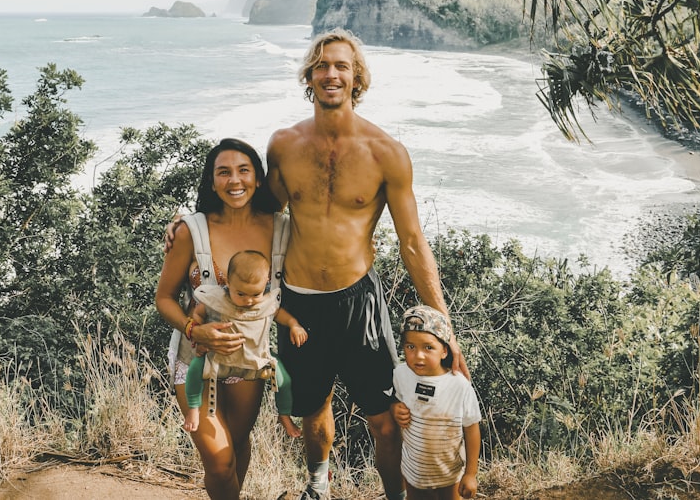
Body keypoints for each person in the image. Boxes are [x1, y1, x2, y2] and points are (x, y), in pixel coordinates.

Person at [266, 27, 469, 500]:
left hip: (358, 303)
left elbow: (413, 243)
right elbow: (256, 214)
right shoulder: (283, 145)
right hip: (298, 304)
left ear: (357, 77)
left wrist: (444, 330)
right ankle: (318, 487)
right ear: (309, 76)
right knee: (312, 410)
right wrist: (191, 223)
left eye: (341, 65)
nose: (330, 73)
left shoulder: (386, 154)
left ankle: (394, 496)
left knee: (384, 419)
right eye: (321, 65)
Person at [155, 137, 290, 500]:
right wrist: (195, 328)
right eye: (224, 172)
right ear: (211, 181)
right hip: (194, 357)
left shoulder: (280, 228)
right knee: (217, 459)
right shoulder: (190, 231)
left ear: (258, 178)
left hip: (247, 361)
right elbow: (164, 298)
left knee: (238, 442)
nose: (235, 180)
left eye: (244, 170)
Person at [183, 249, 307, 437]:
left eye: (255, 294)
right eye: (240, 294)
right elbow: (198, 313)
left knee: (285, 380)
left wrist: (294, 325)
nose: (248, 300)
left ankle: (284, 414)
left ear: (265, 284)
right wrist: (199, 334)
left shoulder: (266, 302)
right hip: (219, 359)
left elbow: (279, 314)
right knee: (194, 369)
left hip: (257, 360)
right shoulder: (217, 299)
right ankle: (193, 408)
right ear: (228, 282)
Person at [391, 305, 480, 500]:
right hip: (413, 471)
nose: (418, 355)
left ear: (444, 351)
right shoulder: (401, 374)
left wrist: (471, 474)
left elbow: (472, 429)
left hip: (450, 473)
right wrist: (395, 408)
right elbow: (395, 400)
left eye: (428, 347)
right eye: (410, 347)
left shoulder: (459, 386)